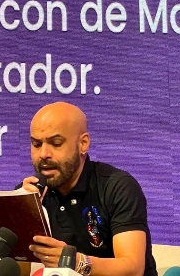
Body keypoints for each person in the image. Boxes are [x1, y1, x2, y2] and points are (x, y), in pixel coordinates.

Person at [20, 102, 156, 276]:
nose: (43, 154)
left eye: (56, 143)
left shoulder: (117, 187)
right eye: (36, 144)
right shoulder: (30, 193)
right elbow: (16, 268)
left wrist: (74, 262)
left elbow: (132, 269)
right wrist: (22, 216)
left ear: (83, 144)